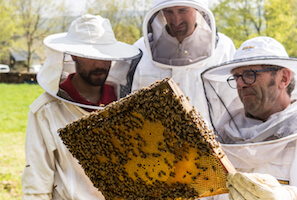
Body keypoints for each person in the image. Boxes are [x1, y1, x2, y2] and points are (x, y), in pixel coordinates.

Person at [21, 14, 142, 199]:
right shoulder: (46, 110)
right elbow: (36, 184)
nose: (99, 64)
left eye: (105, 56)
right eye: (91, 57)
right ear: (74, 56)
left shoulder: (127, 105)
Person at [201, 36, 297, 199]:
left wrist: (288, 195)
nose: (240, 84)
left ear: (283, 78)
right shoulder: (224, 134)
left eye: (249, 74)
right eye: (236, 76)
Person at [132, 0, 236, 121]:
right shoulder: (140, 49)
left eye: (183, 10)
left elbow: (233, 106)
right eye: (168, 11)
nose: (176, 20)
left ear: (197, 9)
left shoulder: (224, 48)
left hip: (213, 138)